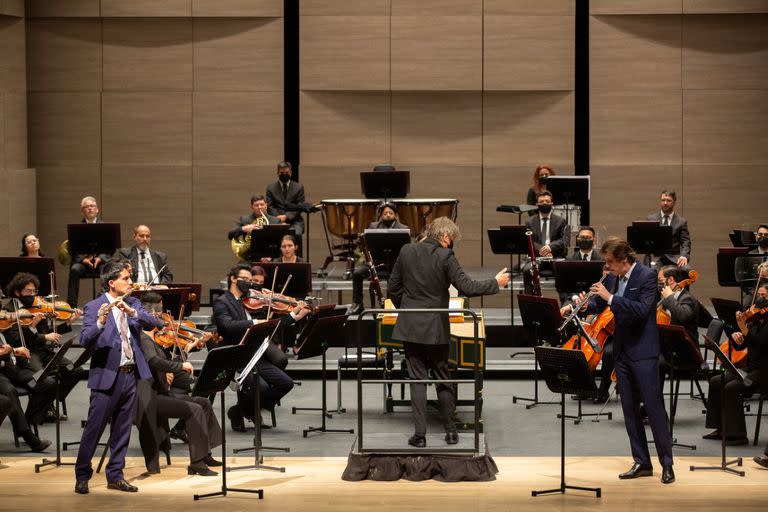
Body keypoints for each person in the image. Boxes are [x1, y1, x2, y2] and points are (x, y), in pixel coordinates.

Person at [560, 237, 675, 484]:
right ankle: (642, 462)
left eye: (610, 262)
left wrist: (611, 298)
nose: (607, 267)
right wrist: (582, 304)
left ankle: (667, 464)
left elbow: (642, 310)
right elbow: (598, 303)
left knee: (654, 409)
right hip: (622, 352)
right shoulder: (612, 277)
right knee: (630, 410)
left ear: (624, 260)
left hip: (644, 351)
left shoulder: (647, 276)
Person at [387, 217, 509, 447]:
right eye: (451, 239)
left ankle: (420, 436)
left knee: (417, 380)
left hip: (410, 325)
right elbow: (468, 287)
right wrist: (496, 282)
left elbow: (393, 288)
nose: (451, 244)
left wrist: (408, 309)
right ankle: (451, 432)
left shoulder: (406, 251)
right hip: (436, 327)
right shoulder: (446, 256)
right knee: (443, 378)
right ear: (444, 237)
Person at [74, 260, 163, 495]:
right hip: (106, 376)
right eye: (125, 278)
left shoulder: (133, 302)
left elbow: (156, 322)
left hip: (129, 375)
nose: (130, 281)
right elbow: (84, 340)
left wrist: (133, 312)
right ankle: (82, 475)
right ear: (112, 283)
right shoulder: (93, 306)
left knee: (122, 430)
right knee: (94, 429)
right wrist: (100, 322)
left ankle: (116, 475)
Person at [212, 263, 308, 432]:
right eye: (245, 279)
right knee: (261, 387)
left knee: (286, 384)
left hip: (256, 355)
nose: (249, 283)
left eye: (251, 280)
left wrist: (294, 316)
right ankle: (247, 409)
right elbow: (227, 326)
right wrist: (254, 322)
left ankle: (241, 410)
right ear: (233, 279)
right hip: (237, 356)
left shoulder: (250, 301)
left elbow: (271, 325)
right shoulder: (222, 302)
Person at [135, 292, 221, 476]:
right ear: (150, 317)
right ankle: (196, 463)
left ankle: (204, 453)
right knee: (194, 409)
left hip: (162, 393)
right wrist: (179, 365)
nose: (163, 322)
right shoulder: (144, 339)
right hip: (150, 398)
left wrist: (191, 348)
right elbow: (153, 361)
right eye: (158, 317)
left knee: (203, 403)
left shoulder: (153, 338)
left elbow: (165, 359)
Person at [4, 273, 86, 421]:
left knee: (75, 370)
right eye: (28, 292)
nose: (32, 295)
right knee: (41, 380)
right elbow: (14, 340)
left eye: (34, 291)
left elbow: (48, 334)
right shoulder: (9, 311)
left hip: (44, 351)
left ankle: (48, 402)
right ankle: (35, 413)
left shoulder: (37, 306)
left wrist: (68, 323)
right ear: (17, 292)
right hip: (27, 354)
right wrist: (35, 328)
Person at [702, 298, 767, 447]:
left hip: (764, 371)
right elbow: (744, 345)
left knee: (731, 388)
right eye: (759, 296)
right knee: (717, 381)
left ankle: (738, 435)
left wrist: (744, 330)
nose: (758, 302)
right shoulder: (757, 319)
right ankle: (721, 428)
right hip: (751, 368)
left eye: (764, 296)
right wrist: (737, 338)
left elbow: (762, 343)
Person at [0, 310, 54, 451]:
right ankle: (29, 437)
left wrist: (14, 349)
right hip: (1, 373)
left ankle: (26, 421)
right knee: (10, 392)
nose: (5, 316)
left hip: (15, 370)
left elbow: (20, 341)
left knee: (47, 382)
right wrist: (11, 350)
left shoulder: (7, 327)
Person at [350, 203, 410, 314]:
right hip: (376, 263)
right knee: (357, 273)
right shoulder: (373, 227)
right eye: (385, 213)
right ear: (381, 216)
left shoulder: (403, 228)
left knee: (395, 281)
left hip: (394, 265)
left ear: (395, 215)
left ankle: (393, 307)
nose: (388, 215)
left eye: (390, 213)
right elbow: (365, 245)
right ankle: (358, 303)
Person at [522, 191, 568, 295]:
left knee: (563, 269)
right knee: (527, 270)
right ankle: (531, 301)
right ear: (536, 205)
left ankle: (565, 303)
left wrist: (550, 247)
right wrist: (543, 250)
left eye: (547, 201)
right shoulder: (529, 222)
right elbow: (529, 241)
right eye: (541, 201)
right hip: (537, 257)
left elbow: (564, 240)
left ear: (552, 203)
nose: (544, 203)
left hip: (554, 256)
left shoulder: (561, 221)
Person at [68, 196, 110, 306]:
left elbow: (110, 247)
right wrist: (84, 259)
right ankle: (72, 306)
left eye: (92, 206)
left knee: (106, 270)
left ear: (97, 209)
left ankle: (105, 303)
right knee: (74, 269)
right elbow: (72, 249)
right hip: (83, 262)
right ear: (82, 211)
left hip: (100, 262)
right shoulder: (76, 228)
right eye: (87, 207)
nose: (90, 208)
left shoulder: (105, 227)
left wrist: (100, 258)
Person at [645, 190, 691, 268]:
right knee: (650, 271)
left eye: (668, 200)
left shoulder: (681, 222)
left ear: (674, 202)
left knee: (687, 269)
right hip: (656, 257)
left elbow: (685, 242)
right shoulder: (651, 219)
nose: (665, 203)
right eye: (663, 200)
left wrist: (684, 256)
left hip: (674, 258)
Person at [266, 161, 306, 236]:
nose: (284, 174)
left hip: (295, 220)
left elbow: (300, 206)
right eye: (282, 172)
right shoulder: (270, 188)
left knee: (295, 234)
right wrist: (279, 219)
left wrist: (286, 216)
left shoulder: (299, 187)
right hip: (276, 219)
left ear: (290, 172)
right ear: (277, 173)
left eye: (286, 172)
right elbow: (270, 206)